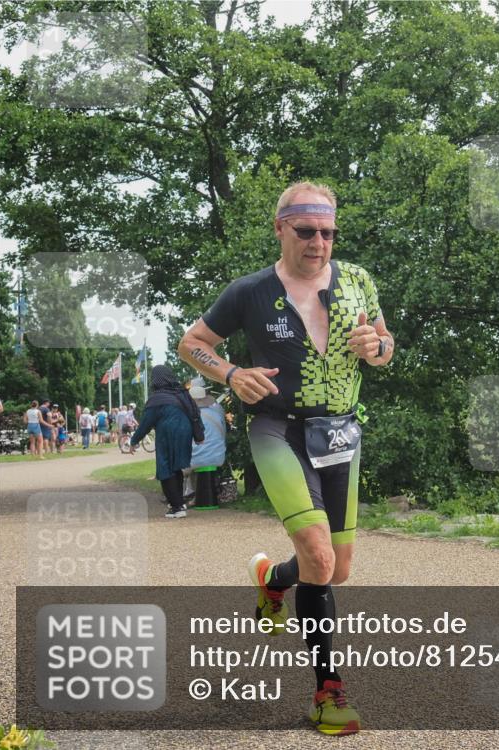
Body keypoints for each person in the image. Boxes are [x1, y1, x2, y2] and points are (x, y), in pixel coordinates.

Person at [178, 181, 394, 736]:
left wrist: (379, 348)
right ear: (280, 230)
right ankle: (329, 693)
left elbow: (386, 344)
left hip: (342, 432)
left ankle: (274, 579)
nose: (318, 243)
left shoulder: (359, 281)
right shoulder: (248, 291)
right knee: (321, 561)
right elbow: (192, 342)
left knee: (336, 570)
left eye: (327, 232)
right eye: (306, 232)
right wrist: (230, 373)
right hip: (277, 430)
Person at [129, 365, 205, 518]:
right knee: (176, 467)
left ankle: (177, 507)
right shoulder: (182, 393)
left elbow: (146, 423)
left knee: (165, 469)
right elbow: (195, 413)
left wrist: (134, 441)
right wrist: (199, 435)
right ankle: (178, 503)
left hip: (167, 433)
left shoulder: (156, 398)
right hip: (185, 432)